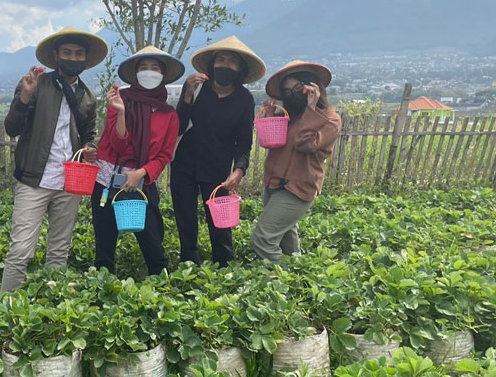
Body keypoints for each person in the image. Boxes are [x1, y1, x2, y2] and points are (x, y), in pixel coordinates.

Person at [1, 27, 108, 292]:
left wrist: (89, 147)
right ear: (56, 56)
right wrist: (25, 96)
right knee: (21, 250)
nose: (73, 58)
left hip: (69, 182)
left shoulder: (88, 97)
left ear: (85, 59)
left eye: (79, 54)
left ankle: (51, 304)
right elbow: (12, 128)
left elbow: (89, 134)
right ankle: (4, 307)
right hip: (33, 179)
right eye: (67, 52)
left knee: (59, 250)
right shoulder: (37, 85)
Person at [171, 36, 266, 268]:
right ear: (212, 65)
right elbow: (178, 126)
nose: (225, 65)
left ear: (240, 68)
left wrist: (239, 169)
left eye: (231, 62)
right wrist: (186, 97)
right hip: (184, 162)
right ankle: (189, 263)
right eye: (220, 60)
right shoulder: (196, 87)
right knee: (185, 216)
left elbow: (244, 140)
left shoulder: (244, 99)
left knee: (221, 220)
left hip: (218, 167)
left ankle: (224, 265)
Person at [92, 46, 182, 276]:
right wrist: (121, 112)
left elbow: (163, 156)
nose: (149, 72)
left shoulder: (169, 114)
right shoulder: (120, 102)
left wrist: (140, 173)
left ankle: (161, 286)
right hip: (108, 179)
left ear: (162, 75)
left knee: (151, 238)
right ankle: (103, 286)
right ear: (135, 74)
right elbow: (118, 144)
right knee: (105, 238)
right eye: (143, 68)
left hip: (142, 181)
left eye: (154, 68)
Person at [251, 60, 342, 261]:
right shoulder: (289, 116)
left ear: (313, 87)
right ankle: (297, 272)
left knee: (263, 239)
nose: (292, 93)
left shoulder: (330, 119)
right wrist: (270, 115)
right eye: (287, 90)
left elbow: (306, 144)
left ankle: (279, 280)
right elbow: (271, 143)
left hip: (297, 188)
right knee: (285, 236)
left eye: (298, 87)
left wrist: (311, 109)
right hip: (274, 184)